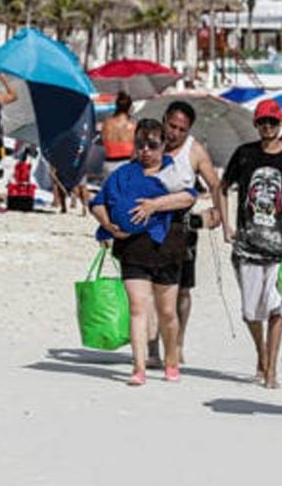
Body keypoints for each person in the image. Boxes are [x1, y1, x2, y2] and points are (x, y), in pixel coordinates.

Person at [90, 119, 196, 384]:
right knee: (138, 308)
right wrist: (107, 225)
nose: (146, 150)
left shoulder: (173, 172)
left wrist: (154, 205)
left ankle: (171, 358)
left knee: (167, 312)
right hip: (132, 249)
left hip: (166, 247)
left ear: (163, 146)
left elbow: (189, 197)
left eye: (152, 145)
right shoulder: (123, 173)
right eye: (140, 145)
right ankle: (138, 367)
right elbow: (98, 202)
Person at [220, 100, 282, 389]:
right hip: (247, 246)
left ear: (280, 124)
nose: (267, 127)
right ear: (256, 125)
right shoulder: (244, 155)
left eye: (272, 122)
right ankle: (261, 353)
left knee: (276, 309)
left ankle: (271, 368)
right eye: (262, 122)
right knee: (249, 312)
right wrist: (225, 224)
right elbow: (222, 188)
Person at [157, 100, 225, 365]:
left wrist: (219, 214)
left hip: (183, 227)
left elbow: (215, 184)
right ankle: (152, 347)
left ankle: (177, 342)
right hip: (151, 223)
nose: (174, 133)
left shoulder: (194, 151)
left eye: (181, 129)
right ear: (164, 120)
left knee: (182, 291)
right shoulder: (151, 142)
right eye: (171, 126)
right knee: (153, 290)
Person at [102, 91, 136, 175]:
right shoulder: (133, 126)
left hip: (109, 163)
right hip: (126, 163)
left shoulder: (107, 124)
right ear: (129, 107)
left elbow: (103, 141)